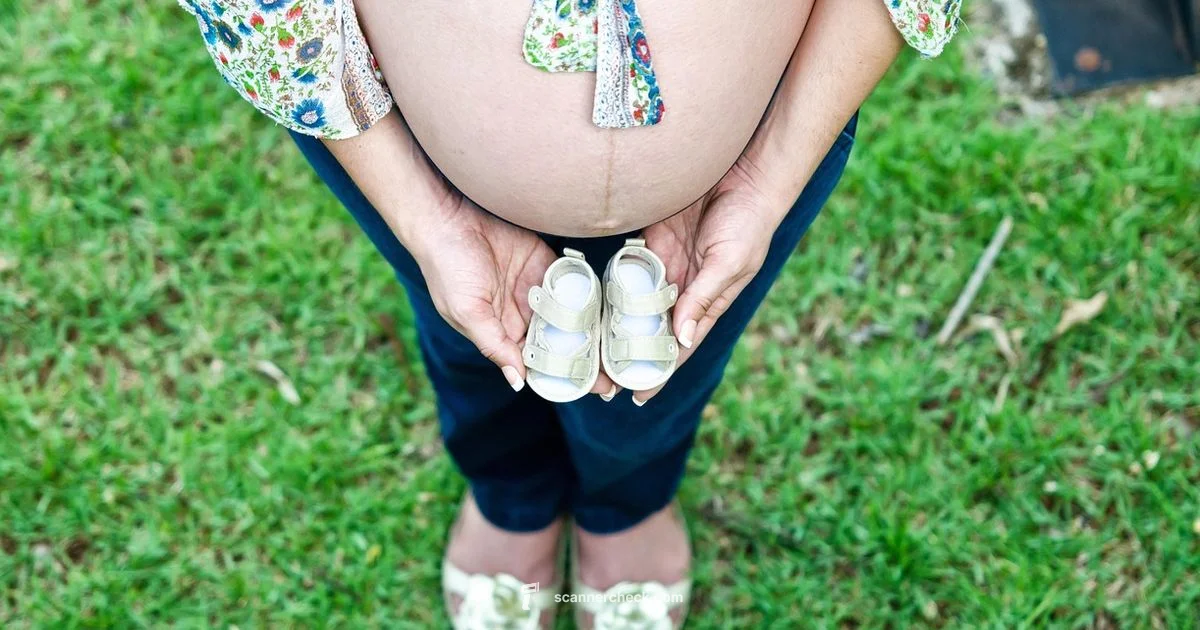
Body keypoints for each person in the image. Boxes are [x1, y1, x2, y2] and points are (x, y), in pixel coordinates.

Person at [180, 0, 959, 627]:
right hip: (395, 127)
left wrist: (769, 174)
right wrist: (424, 213)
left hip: (763, 133)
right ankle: (509, 495)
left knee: (672, 368)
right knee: (468, 341)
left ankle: (627, 510)